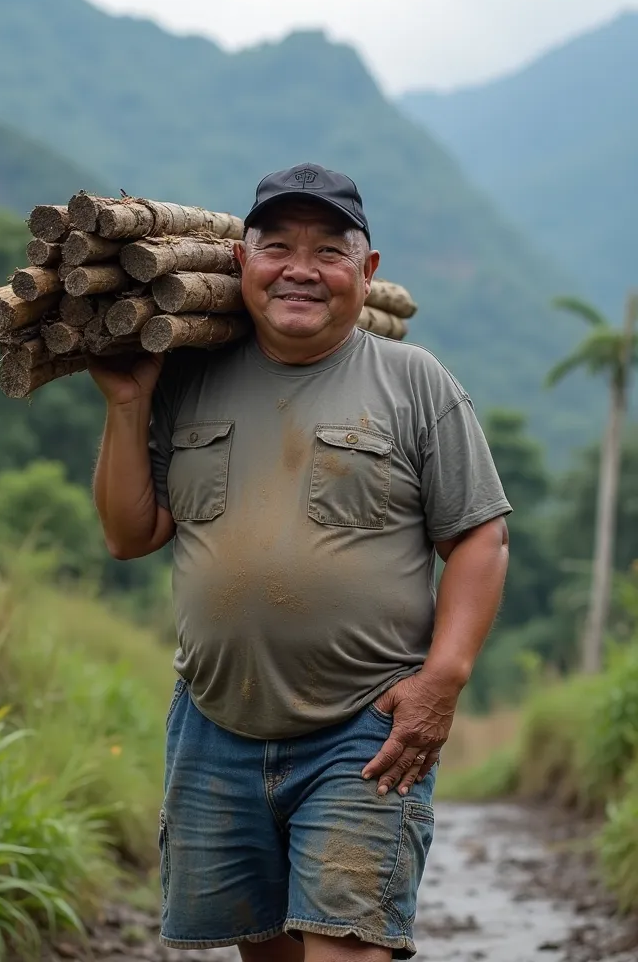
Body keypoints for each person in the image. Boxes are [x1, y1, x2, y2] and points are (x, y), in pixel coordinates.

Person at [90, 163, 511, 962]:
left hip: (366, 730)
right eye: (277, 245)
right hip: (217, 725)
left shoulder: (414, 383)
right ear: (241, 263)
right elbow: (130, 532)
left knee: (347, 949)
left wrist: (443, 680)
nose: (300, 269)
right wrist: (125, 402)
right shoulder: (187, 377)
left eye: (328, 250)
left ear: (367, 271)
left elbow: (479, 540)